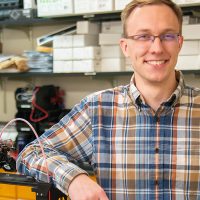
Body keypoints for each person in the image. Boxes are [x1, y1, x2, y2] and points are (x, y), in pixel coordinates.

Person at [17, 0, 200, 199]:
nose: (156, 48)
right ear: (125, 46)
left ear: (180, 42)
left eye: (168, 36)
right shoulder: (98, 109)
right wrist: (73, 178)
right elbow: (32, 153)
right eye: (143, 36)